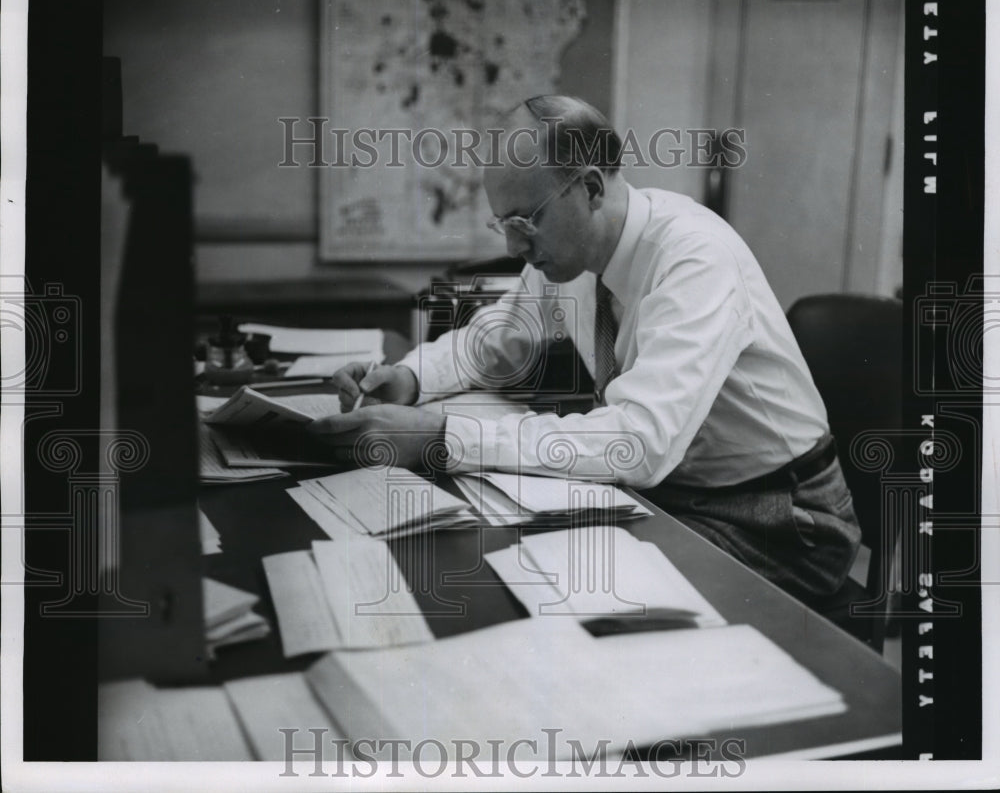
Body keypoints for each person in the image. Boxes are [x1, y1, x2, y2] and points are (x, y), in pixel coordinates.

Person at [308, 95, 861, 600]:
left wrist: (441, 435)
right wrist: (409, 378)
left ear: (591, 188)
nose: (513, 246)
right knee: (523, 568)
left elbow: (636, 442)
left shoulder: (695, 257)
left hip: (779, 516)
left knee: (575, 593)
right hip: (678, 492)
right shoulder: (567, 256)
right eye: (502, 223)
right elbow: (497, 340)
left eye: (525, 221)